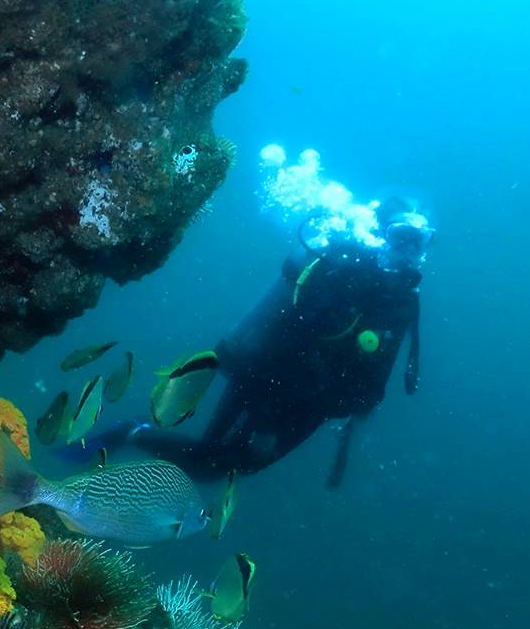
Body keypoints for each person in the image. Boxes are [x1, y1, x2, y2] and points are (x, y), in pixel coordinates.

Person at [125, 198, 432, 486]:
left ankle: (135, 436)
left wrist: (357, 402)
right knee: (209, 463)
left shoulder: (404, 300)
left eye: (419, 241)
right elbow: (292, 329)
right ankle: (131, 433)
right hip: (266, 378)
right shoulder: (343, 269)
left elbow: (382, 367)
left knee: (241, 466)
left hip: (318, 403)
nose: (408, 249)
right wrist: (272, 410)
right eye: (400, 236)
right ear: (380, 234)